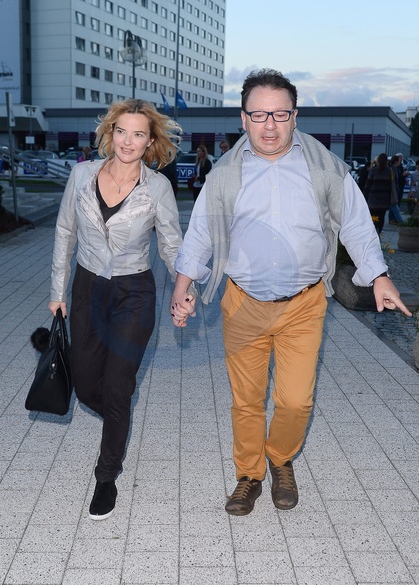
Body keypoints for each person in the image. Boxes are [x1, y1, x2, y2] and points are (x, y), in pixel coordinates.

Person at [170, 69, 411, 517]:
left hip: (304, 304)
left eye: (280, 114)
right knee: (247, 400)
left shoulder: (326, 168)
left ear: (295, 116)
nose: (270, 125)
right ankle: (249, 475)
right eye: (259, 114)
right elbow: (200, 234)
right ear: (243, 119)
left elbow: (356, 225)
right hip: (242, 303)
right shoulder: (224, 174)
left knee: (296, 400)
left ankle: (280, 459)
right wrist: (183, 288)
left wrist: (378, 275)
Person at [48, 98, 194, 521]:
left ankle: (106, 476)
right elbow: (64, 232)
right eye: (122, 131)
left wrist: (183, 289)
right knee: (85, 386)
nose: (128, 141)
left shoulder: (157, 187)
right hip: (87, 288)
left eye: (138, 134)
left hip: (134, 293)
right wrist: (57, 291)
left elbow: (171, 245)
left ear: (150, 142)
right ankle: (117, 416)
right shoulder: (81, 175)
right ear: (110, 133)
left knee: (117, 387)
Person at [364, 153, 396, 234]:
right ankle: (379, 231)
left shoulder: (373, 170)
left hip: (373, 199)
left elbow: (368, 184)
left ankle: (373, 232)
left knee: (373, 217)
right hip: (384, 199)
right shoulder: (389, 171)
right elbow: (391, 185)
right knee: (381, 217)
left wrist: (365, 196)